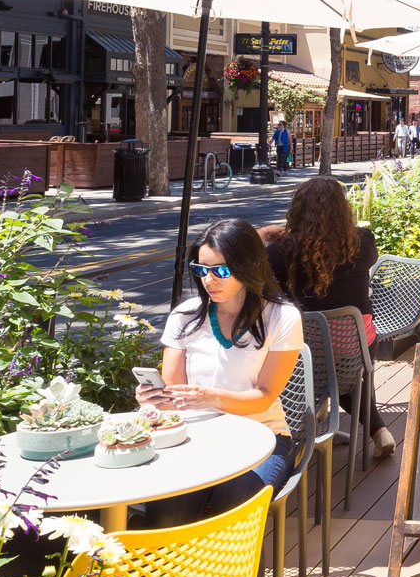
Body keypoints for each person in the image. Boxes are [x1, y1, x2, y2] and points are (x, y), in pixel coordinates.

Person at [141, 218, 303, 527]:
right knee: (167, 506)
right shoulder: (185, 316)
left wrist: (209, 397)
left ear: (249, 266)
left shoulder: (282, 317)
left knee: (232, 507)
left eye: (221, 271)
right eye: (201, 270)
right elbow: (173, 394)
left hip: (263, 437)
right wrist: (152, 397)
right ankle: (174, 575)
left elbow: (264, 398)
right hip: (195, 436)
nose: (209, 280)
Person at [266, 177, 395, 460]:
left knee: (323, 370)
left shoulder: (279, 251)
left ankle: (313, 428)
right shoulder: (363, 242)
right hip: (355, 346)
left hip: (302, 355)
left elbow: (251, 263)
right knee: (346, 379)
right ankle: (378, 431)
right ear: (342, 210)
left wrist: (266, 235)